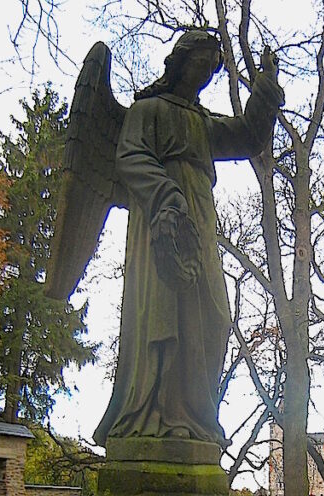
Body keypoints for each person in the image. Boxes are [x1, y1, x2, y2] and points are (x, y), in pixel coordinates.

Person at [92, 31, 284, 448]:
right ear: (180, 61)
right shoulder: (147, 110)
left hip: (199, 220)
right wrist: (167, 195)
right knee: (164, 317)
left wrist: (265, 90)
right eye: (203, 63)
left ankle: (195, 416)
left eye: (214, 67)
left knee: (214, 314)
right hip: (161, 222)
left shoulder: (200, 120)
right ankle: (157, 414)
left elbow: (249, 137)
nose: (208, 73)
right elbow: (130, 156)